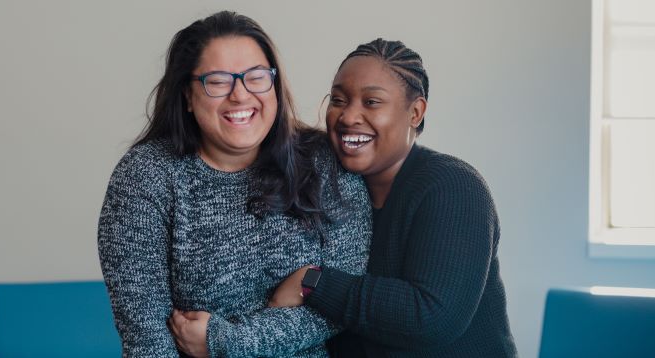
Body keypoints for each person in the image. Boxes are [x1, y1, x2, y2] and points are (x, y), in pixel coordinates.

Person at [97, 11, 371, 358]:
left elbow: (343, 303)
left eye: (256, 77)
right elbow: (147, 341)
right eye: (218, 80)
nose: (240, 95)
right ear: (187, 95)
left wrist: (224, 340)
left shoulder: (323, 162)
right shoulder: (146, 177)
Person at [268, 38, 518, 357]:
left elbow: (432, 317)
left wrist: (313, 283)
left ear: (415, 112)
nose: (348, 116)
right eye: (339, 100)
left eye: (371, 102)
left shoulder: (453, 186)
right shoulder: (328, 188)